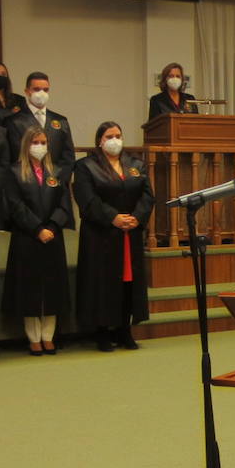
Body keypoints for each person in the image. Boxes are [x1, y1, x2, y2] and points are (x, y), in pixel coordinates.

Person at [73, 121, 152, 352]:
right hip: (102, 235)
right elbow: (87, 199)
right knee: (103, 283)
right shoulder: (86, 166)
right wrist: (113, 218)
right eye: (109, 136)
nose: (115, 140)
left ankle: (124, 330)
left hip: (130, 235)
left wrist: (136, 217)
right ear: (100, 140)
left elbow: (147, 195)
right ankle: (103, 332)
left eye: (118, 135)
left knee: (128, 282)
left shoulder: (136, 164)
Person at [0, 126, 74, 356]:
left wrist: (51, 226)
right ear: (26, 145)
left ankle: (48, 336)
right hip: (27, 237)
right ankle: (33, 337)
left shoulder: (57, 172)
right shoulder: (13, 172)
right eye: (35, 142)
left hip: (53, 236)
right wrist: (37, 228)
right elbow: (15, 205)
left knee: (52, 286)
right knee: (29, 287)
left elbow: (64, 204)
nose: (40, 146)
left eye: (43, 142)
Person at [3, 72, 75, 173]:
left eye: (45, 90)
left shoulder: (61, 121)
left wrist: (59, 180)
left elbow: (68, 156)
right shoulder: (13, 121)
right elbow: (13, 156)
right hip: (25, 179)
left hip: (56, 180)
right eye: (36, 89)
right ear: (27, 91)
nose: (42, 93)